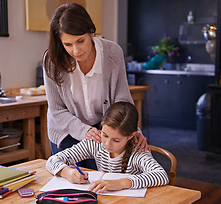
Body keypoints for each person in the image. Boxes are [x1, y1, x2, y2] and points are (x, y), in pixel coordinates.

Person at [43, 3, 148, 170]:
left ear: (91, 32)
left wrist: (133, 131)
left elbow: (122, 101)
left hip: (102, 131)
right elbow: (57, 110)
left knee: (98, 184)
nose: (76, 50)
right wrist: (83, 130)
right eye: (67, 44)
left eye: (80, 41)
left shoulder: (113, 53)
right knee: (70, 185)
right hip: (66, 131)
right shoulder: (52, 60)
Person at [46, 102, 169, 193]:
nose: (107, 144)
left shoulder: (138, 151)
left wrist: (121, 183)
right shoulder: (96, 143)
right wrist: (67, 172)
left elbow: (161, 175)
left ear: (131, 135)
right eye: (105, 135)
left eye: (116, 140)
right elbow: (52, 160)